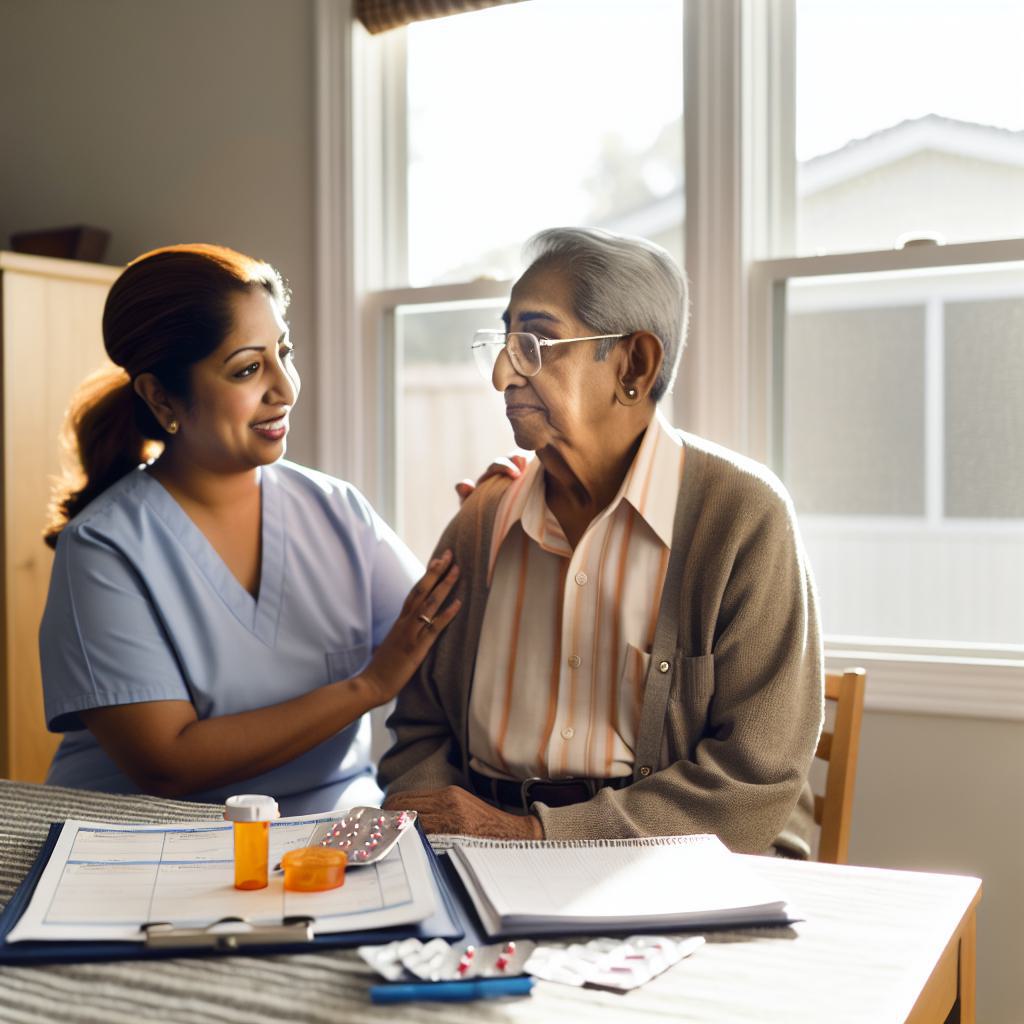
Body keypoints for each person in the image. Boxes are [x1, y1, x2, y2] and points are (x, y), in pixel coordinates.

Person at [379, 227, 824, 857]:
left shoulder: (743, 517)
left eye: (534, 341)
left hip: (671, 867)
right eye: (503, 343)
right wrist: (439, 826)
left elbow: (753, 778)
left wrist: (536, 836)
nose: (503, 373)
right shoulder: (482, 521)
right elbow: (419, 731)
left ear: (634, 365)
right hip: (473, 858)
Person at [40, 243, 460, 816]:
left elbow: (445, 641)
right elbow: (168, 762)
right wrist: (369, 687)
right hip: (141, 836)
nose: (284, 388)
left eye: (284, 352)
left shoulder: (336, 510)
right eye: (247, 368)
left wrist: (501, 512)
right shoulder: (103, 549)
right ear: (162, 395)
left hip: (327, 826)